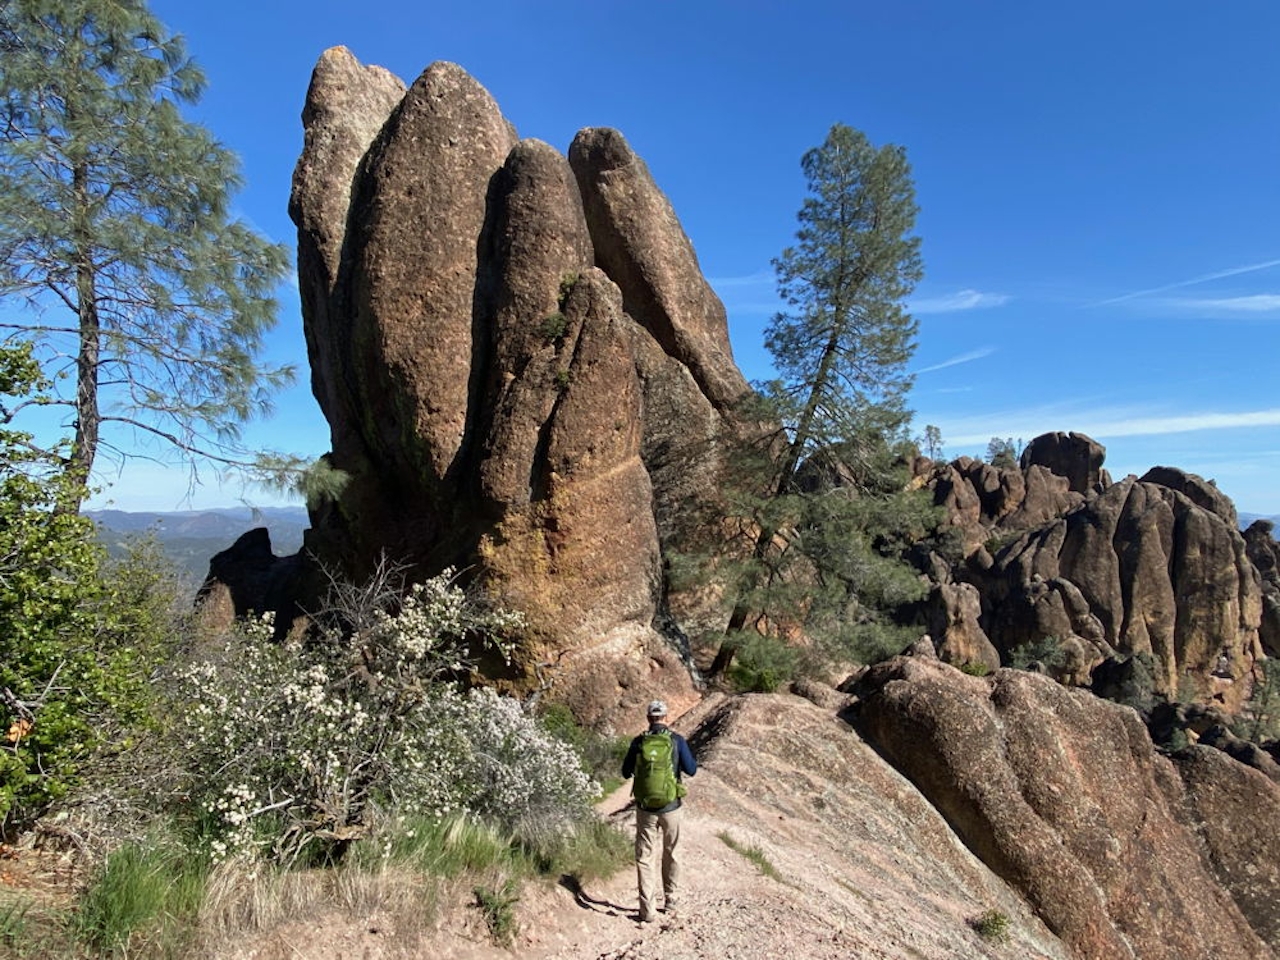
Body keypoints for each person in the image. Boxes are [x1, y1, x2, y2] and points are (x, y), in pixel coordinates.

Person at [621, 699, 697, 923]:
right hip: (671, 807)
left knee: (645, 857)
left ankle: (647, 911)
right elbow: (691, 770)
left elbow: (625, 773)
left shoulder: (638, 742)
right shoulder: (676, 741)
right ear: (666, 717)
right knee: (671, 851)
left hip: (645, 809)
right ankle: (671, 899)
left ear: (648, 719)